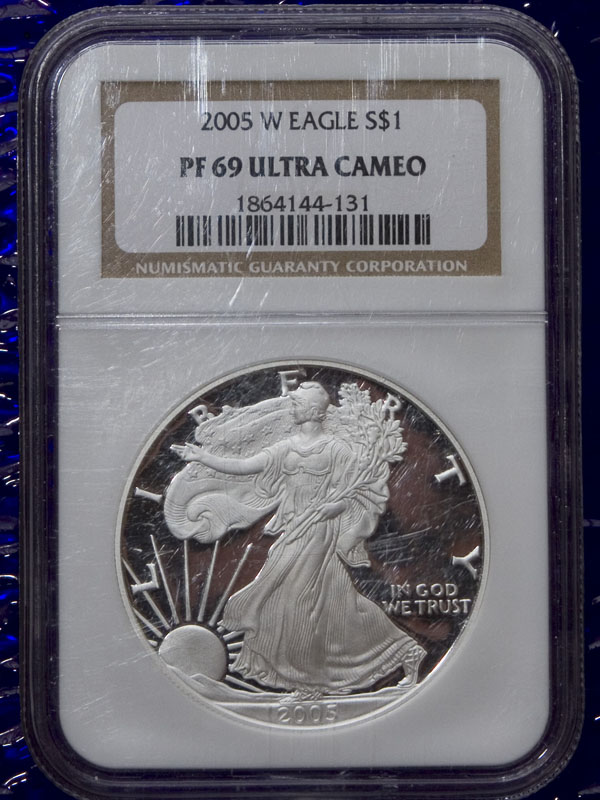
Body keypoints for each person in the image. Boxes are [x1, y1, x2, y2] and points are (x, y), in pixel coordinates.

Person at [177, 381, 425, 698]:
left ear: (312, 410)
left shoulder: (336, 450)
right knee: (337, 602)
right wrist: (202, 457)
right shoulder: (287, 447)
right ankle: (405, 651)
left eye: (296, 404)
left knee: (298, 598)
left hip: (321, 530)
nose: (291, 408)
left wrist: (337, 506)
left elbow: (365, 490)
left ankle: (309, 681)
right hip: (295, 528)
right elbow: (243, 466)